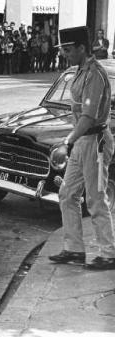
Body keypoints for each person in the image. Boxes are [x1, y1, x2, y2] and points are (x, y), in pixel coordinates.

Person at [49, 26, 115, 270]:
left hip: (94, 141)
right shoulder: (79, 72)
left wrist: (67, 141)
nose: (65, 54)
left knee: (96, 200)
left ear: (81, 48)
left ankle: (108, 253)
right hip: (82, 140)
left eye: (68, 49)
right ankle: (74, 249)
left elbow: (88, 116)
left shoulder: (94, 75)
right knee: (67, 195)